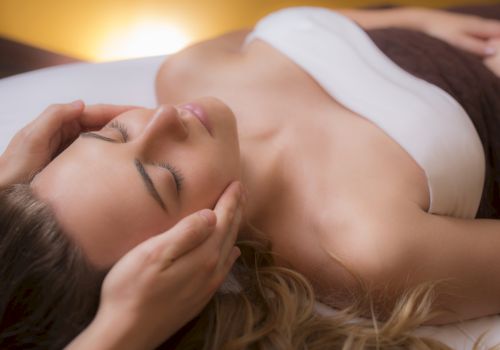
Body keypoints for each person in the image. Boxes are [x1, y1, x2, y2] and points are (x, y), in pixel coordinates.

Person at [2, 4, 500, 349]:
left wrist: (411, 18)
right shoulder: (365, 246)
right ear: (194, 262)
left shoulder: (183, 72)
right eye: (167, 176)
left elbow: (300, 27)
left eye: (111, 132)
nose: (162, 119)